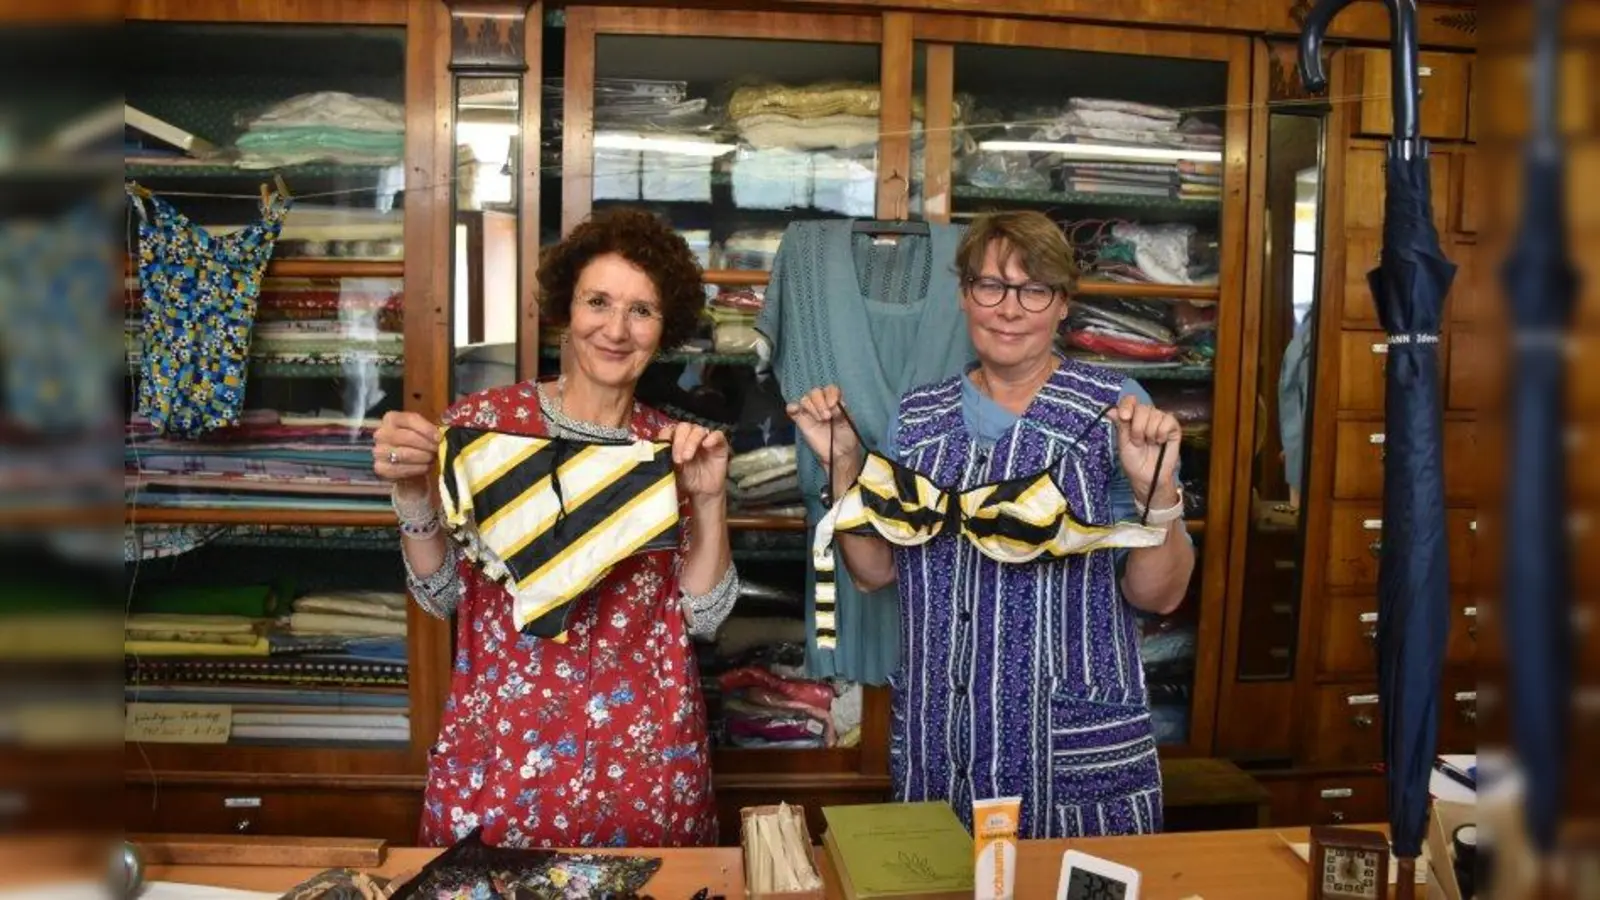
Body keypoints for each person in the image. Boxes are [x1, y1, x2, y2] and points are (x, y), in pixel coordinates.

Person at [788, 210, 1196, 840]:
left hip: (1066, 756)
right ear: (964, 295)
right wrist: (843, 461)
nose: (1010, 308)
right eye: (991, 286)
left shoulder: (1113, 411)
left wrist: (1156, 493)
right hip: (939, 749)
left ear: (1062, 305)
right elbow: (873, 572)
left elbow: (1160, 594)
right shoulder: (918, 417)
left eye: (1034, 289)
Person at [373, 208, 738, 848]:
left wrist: (707, 503)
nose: (616, 330)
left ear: (666, 328)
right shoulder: (484, 427)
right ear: (568, 309)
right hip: (502, 764)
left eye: (642, 311)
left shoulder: (675, 449)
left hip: (643, 771)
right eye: (598, 302)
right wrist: (413, 495)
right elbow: (442, 597)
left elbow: (703, 617)